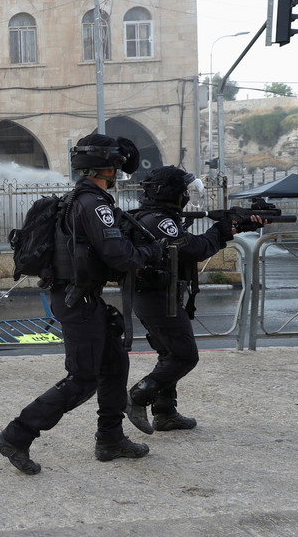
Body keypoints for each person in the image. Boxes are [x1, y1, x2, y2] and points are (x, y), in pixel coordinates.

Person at [0, 134, 162, 475]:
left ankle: (111, 439)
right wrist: (149, 253)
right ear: (108, 166)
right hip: (78, 299)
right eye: (115, 165)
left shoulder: (80, 199)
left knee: (114, 365)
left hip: (81, 297)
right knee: (82, 379)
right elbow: (116, 254)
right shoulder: (93, 204)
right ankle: (17, 434)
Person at [124, 166, 261, 433]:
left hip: (156, 295)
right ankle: (138, 395)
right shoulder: (159, 220)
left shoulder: (157, 216)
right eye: (185, 190)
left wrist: (234, 226)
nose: (188, 195)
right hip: (157, 298)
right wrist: (221, 231)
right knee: (184, 357)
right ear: (173, 192)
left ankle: (165, 413)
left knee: (169, 354)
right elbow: (193, 248)